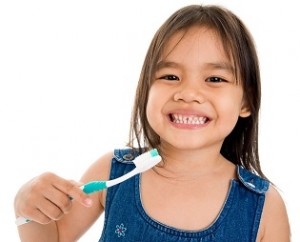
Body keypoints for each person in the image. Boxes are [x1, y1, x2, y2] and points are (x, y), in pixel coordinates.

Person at [14, 4, 290, 242]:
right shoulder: (113, 173)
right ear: (146, 89)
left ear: (246, 102)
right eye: (170, 76)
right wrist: (27, 207)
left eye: (215, 79)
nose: (188, 93)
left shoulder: (264, 206)